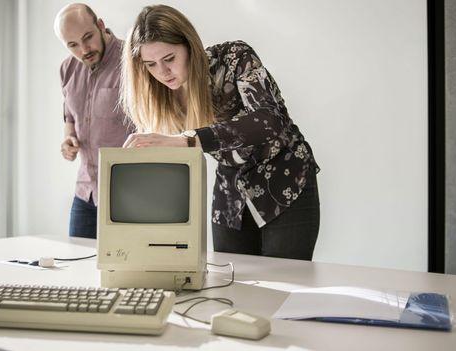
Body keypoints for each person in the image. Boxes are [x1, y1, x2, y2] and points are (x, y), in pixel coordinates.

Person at [121, 5, 320, 260]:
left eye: (169, 59)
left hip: (285, 179)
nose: (162, 72)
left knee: (284, 280)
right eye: (151, 64)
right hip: (230, 192)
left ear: (189, 46)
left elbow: (269, 119)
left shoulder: (234, 56)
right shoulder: (160, 95)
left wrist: (188, 139)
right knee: (231, 285)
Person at [54, 3, 132, 238]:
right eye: (73, 45)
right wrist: (68, 139)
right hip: (86, 192)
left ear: (100, 25)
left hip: (127, 194)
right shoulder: (67, 69)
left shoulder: (132, 62)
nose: (84, 49)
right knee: (76, 267)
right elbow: (71, 117)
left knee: (124, 272)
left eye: (87, 37)